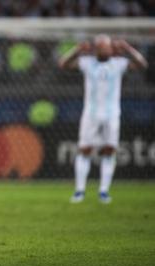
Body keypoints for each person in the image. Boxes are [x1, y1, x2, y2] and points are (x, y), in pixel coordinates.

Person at [59, 34, 147, 204]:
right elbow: (63, 64)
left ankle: (104, 191)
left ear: (111, 48)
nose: (103, 49)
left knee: (109, 151)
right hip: (90, 114)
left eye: (105, 46)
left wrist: (128, 49)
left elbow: (143, 65)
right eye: (99, 47)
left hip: (112, 114)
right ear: (95, 49)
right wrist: (76, 50)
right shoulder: (86, 63)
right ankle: (79, 191)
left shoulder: (119, 64)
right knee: (84, 149)